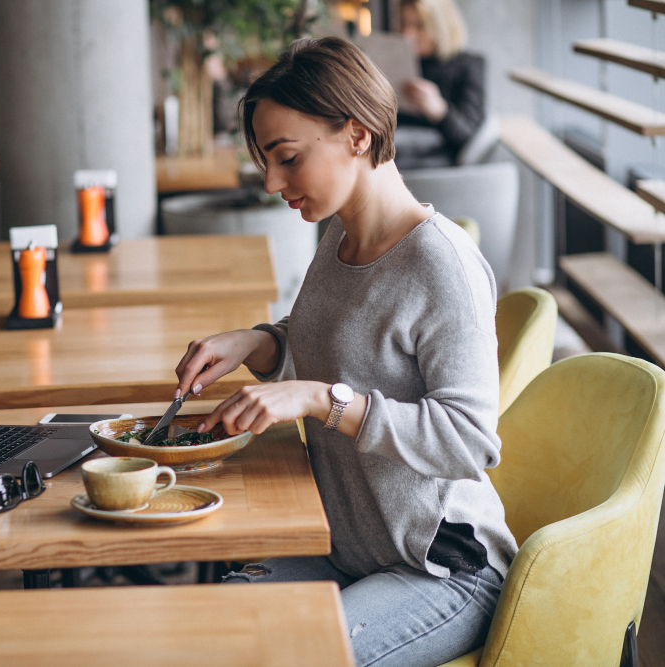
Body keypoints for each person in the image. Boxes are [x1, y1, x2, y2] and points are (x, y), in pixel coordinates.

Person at [173, 37, 517, 667]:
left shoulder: (440, 264)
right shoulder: (338, 235)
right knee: (210, 636)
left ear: (357, 136)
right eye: (267, 163)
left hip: (441, 570)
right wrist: (257, 341)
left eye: (288, 158)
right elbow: (340, 340)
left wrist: (318, 400)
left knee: (289, 656)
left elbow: (470, 440)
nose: (274, 182)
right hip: (348, 549)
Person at [395, 0, 485, 168]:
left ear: (440, 26)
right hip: (399, 146)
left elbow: (471, 138)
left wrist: (438, 110)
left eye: (419, 26)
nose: (407, 34)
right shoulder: (398, 62)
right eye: (403, 24)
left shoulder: (466, 66)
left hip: (438, 155)